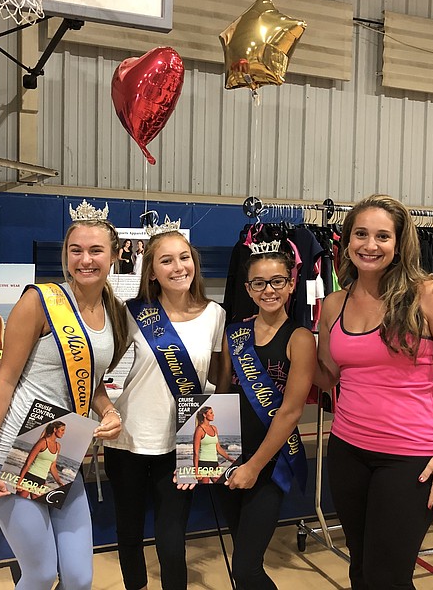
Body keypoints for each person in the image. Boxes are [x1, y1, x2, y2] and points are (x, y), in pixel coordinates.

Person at [313, 194, 433, 589]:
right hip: (348, 451)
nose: (370, 245)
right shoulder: (334, 304)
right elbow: (326, 376)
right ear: (347, 240)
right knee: (362, 568)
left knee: (388, 576)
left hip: (409, 459)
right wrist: (280, 337)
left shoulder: (429, 297)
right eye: (361, 234)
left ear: (399, 244)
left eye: (383, 236)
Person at [0, 200, 129, 590]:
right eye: (75, 250)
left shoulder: (114, 311)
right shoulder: (40, 301)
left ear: (114, 254)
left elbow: (91, 381)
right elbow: (4, 382)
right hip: (16, 448)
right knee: (42, 573)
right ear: (65, 254)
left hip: (64, 449)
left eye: (96, 250)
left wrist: (108, 410)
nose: (85, 260)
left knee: (79, 578)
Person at [104, 229, 226, 590]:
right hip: (127, 439)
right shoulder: (131, 313)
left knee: (172, 540)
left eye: (184, 257)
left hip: (181, 444)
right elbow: (99, 367)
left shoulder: (215, 315)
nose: (178, 267)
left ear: (194, 263)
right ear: (152, 271)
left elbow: (220, 384)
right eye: (167, 260)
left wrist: (212, 451)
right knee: (128, 533)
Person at [217, 243, 316, 589]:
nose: (268, 290)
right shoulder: (235, 333)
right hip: (229, 460)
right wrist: (201, 458)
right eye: (259, 283)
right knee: (241, 555)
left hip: (269, 465)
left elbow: (290, 412)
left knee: (246, 568)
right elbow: (221, 397)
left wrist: (253, 467)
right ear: (247, 289)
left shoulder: (301, 338)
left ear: (291, 284)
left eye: (276, 281)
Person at [16, 421, 66, 499]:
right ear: (55, 429)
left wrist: (59, 482)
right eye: (62, 430)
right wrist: (19, 481)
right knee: (18, 502)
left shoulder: (58, 446)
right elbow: (28, 462)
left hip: (42, 480)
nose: (64, 433)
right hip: (30, 477)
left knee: (37, 506)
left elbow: (52, 466)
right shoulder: (42, 442)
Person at [192, 405, 233, 483]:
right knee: (204, 489)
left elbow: (218, 448)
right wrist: (196, 470)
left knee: (221, 483)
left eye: (212, 413)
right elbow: (196, 452)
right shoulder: (199, 430)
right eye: (211, 413)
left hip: (214, 462)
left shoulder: (214, 428)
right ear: (204, 415)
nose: (213, 414)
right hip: (203, 463)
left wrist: (230, 458)